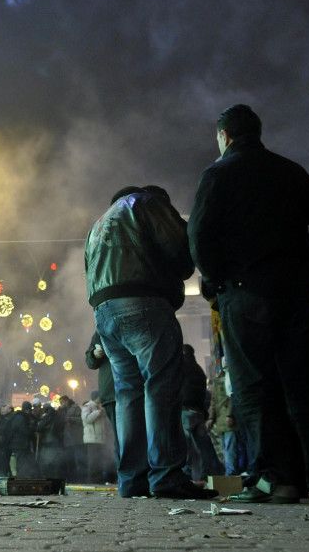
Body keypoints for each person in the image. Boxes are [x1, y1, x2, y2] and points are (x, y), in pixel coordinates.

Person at [188, 104, 309, 503]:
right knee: (304, 384)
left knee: (255, 387)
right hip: (293, 293)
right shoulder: (289, 171)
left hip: (244, 293)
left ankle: (278, 480)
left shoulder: (218, 173)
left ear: (224, 136)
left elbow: (200, 236)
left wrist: (216, 279)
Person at [86, 184, 214, 499]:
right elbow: (181, 251)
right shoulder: (147, 203)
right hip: (142, 301)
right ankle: (167, 477)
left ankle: (132, 480)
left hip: (104, 310)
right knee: (161, 386)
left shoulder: (99, 222)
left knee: (128, 393)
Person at [180, 344, 222, 481]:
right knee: (203, 446)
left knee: (187, 447)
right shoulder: (198, 370)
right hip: (199, 413)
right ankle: (208, 474)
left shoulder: (181, 368)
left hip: (185, 411)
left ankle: (187, 475)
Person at [85, 333, 117, 454]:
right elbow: (90, 362)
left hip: (134, 389)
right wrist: (94, 354)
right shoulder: (101, 330)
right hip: (112, 392)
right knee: (122, 439)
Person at [0, 403, 34, 478]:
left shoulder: (13, 417)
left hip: (12, 444)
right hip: (21, 445)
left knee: (13, 464)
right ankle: (20, 480)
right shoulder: (21, 418)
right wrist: (32, 429)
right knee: (20, 464)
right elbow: (25, 431)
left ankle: (14, 478)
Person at [81, 392, 110, 483]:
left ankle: (100, 479)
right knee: (93, 461)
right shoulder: (87, 406)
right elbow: (86, 419)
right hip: (92, 438)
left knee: (99, 460)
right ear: (96, 397)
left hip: (101, 438)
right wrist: (97, 412)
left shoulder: (100, 407)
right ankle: (93, 480)